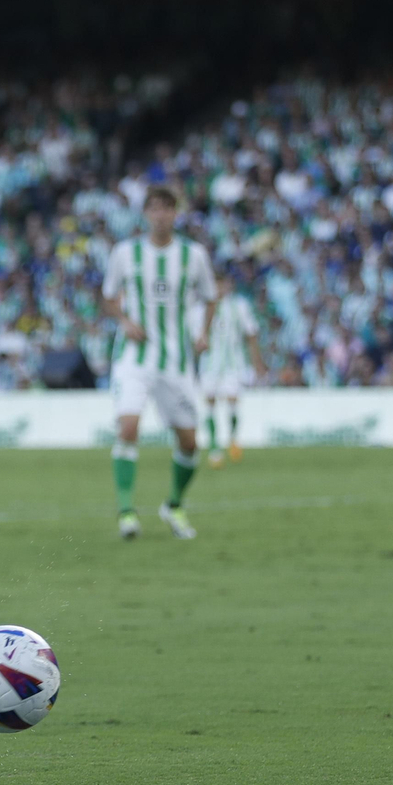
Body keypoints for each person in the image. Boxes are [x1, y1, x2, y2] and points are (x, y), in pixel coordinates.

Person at [102, 185, 218, 540]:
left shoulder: (193, 255)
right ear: (145, 214)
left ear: (176, 213)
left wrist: (203, 334)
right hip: (134, 358)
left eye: (167, 208)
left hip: (176, 361)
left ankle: (174, 505)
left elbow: (210, 298)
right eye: (154, 208)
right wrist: (125, 321)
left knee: (188, 443)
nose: (160, 214)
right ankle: (126, 513)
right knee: (128, 427)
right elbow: (108, 298)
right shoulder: (126, 253)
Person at [199, 272, 264, 467]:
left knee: (233, 401)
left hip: (234, 363)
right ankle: (213, 448)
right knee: (209, 401)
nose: (219, 289)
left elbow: (251, 334)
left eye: (222, 284)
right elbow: (196, 338)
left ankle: (233, 440)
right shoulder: (200, 308)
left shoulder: (239, 306)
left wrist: (257, 362)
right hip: (209, 363)